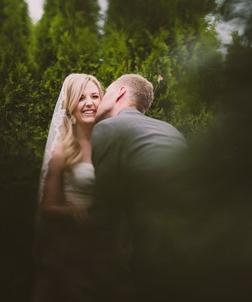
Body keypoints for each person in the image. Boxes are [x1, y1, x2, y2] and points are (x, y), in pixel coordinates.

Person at [33, 73, 135, 302]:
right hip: (74, 246)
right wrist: (72, 211)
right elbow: (46, 208)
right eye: (81, 98)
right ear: (70, 105)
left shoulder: (114, 143)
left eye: (94, 96)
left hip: (110, 244)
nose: (89, 103)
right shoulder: (62, 151)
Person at [91, 74, 189, 301]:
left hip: (159, 249)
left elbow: (104, 214)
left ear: (120, 92)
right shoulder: (170, 129)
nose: (101, 99)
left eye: (106, 92)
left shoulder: (109, 128)